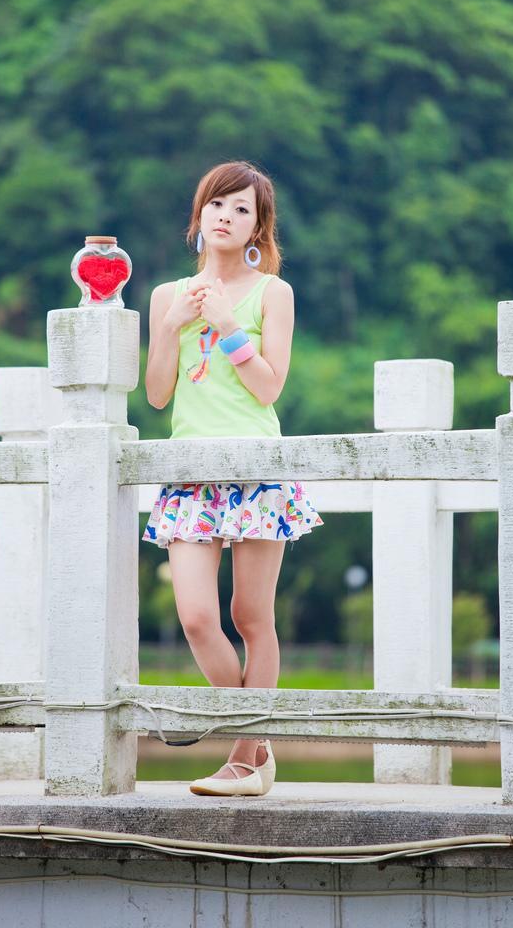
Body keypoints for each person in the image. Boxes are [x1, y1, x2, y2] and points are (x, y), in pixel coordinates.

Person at [142, 159, 324, 796]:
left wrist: (224, 328)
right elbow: (159, 396)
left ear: (257, 226)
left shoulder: (272, 293)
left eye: (242, 208)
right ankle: (255, 740)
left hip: (255, 470)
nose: (227, 214)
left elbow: (270, 385)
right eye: (218, 203)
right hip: (190, 474)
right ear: (200, 215)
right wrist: (171, 328)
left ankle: (244, 761)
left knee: (251, 616)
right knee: (196, 616)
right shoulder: (168, 295)